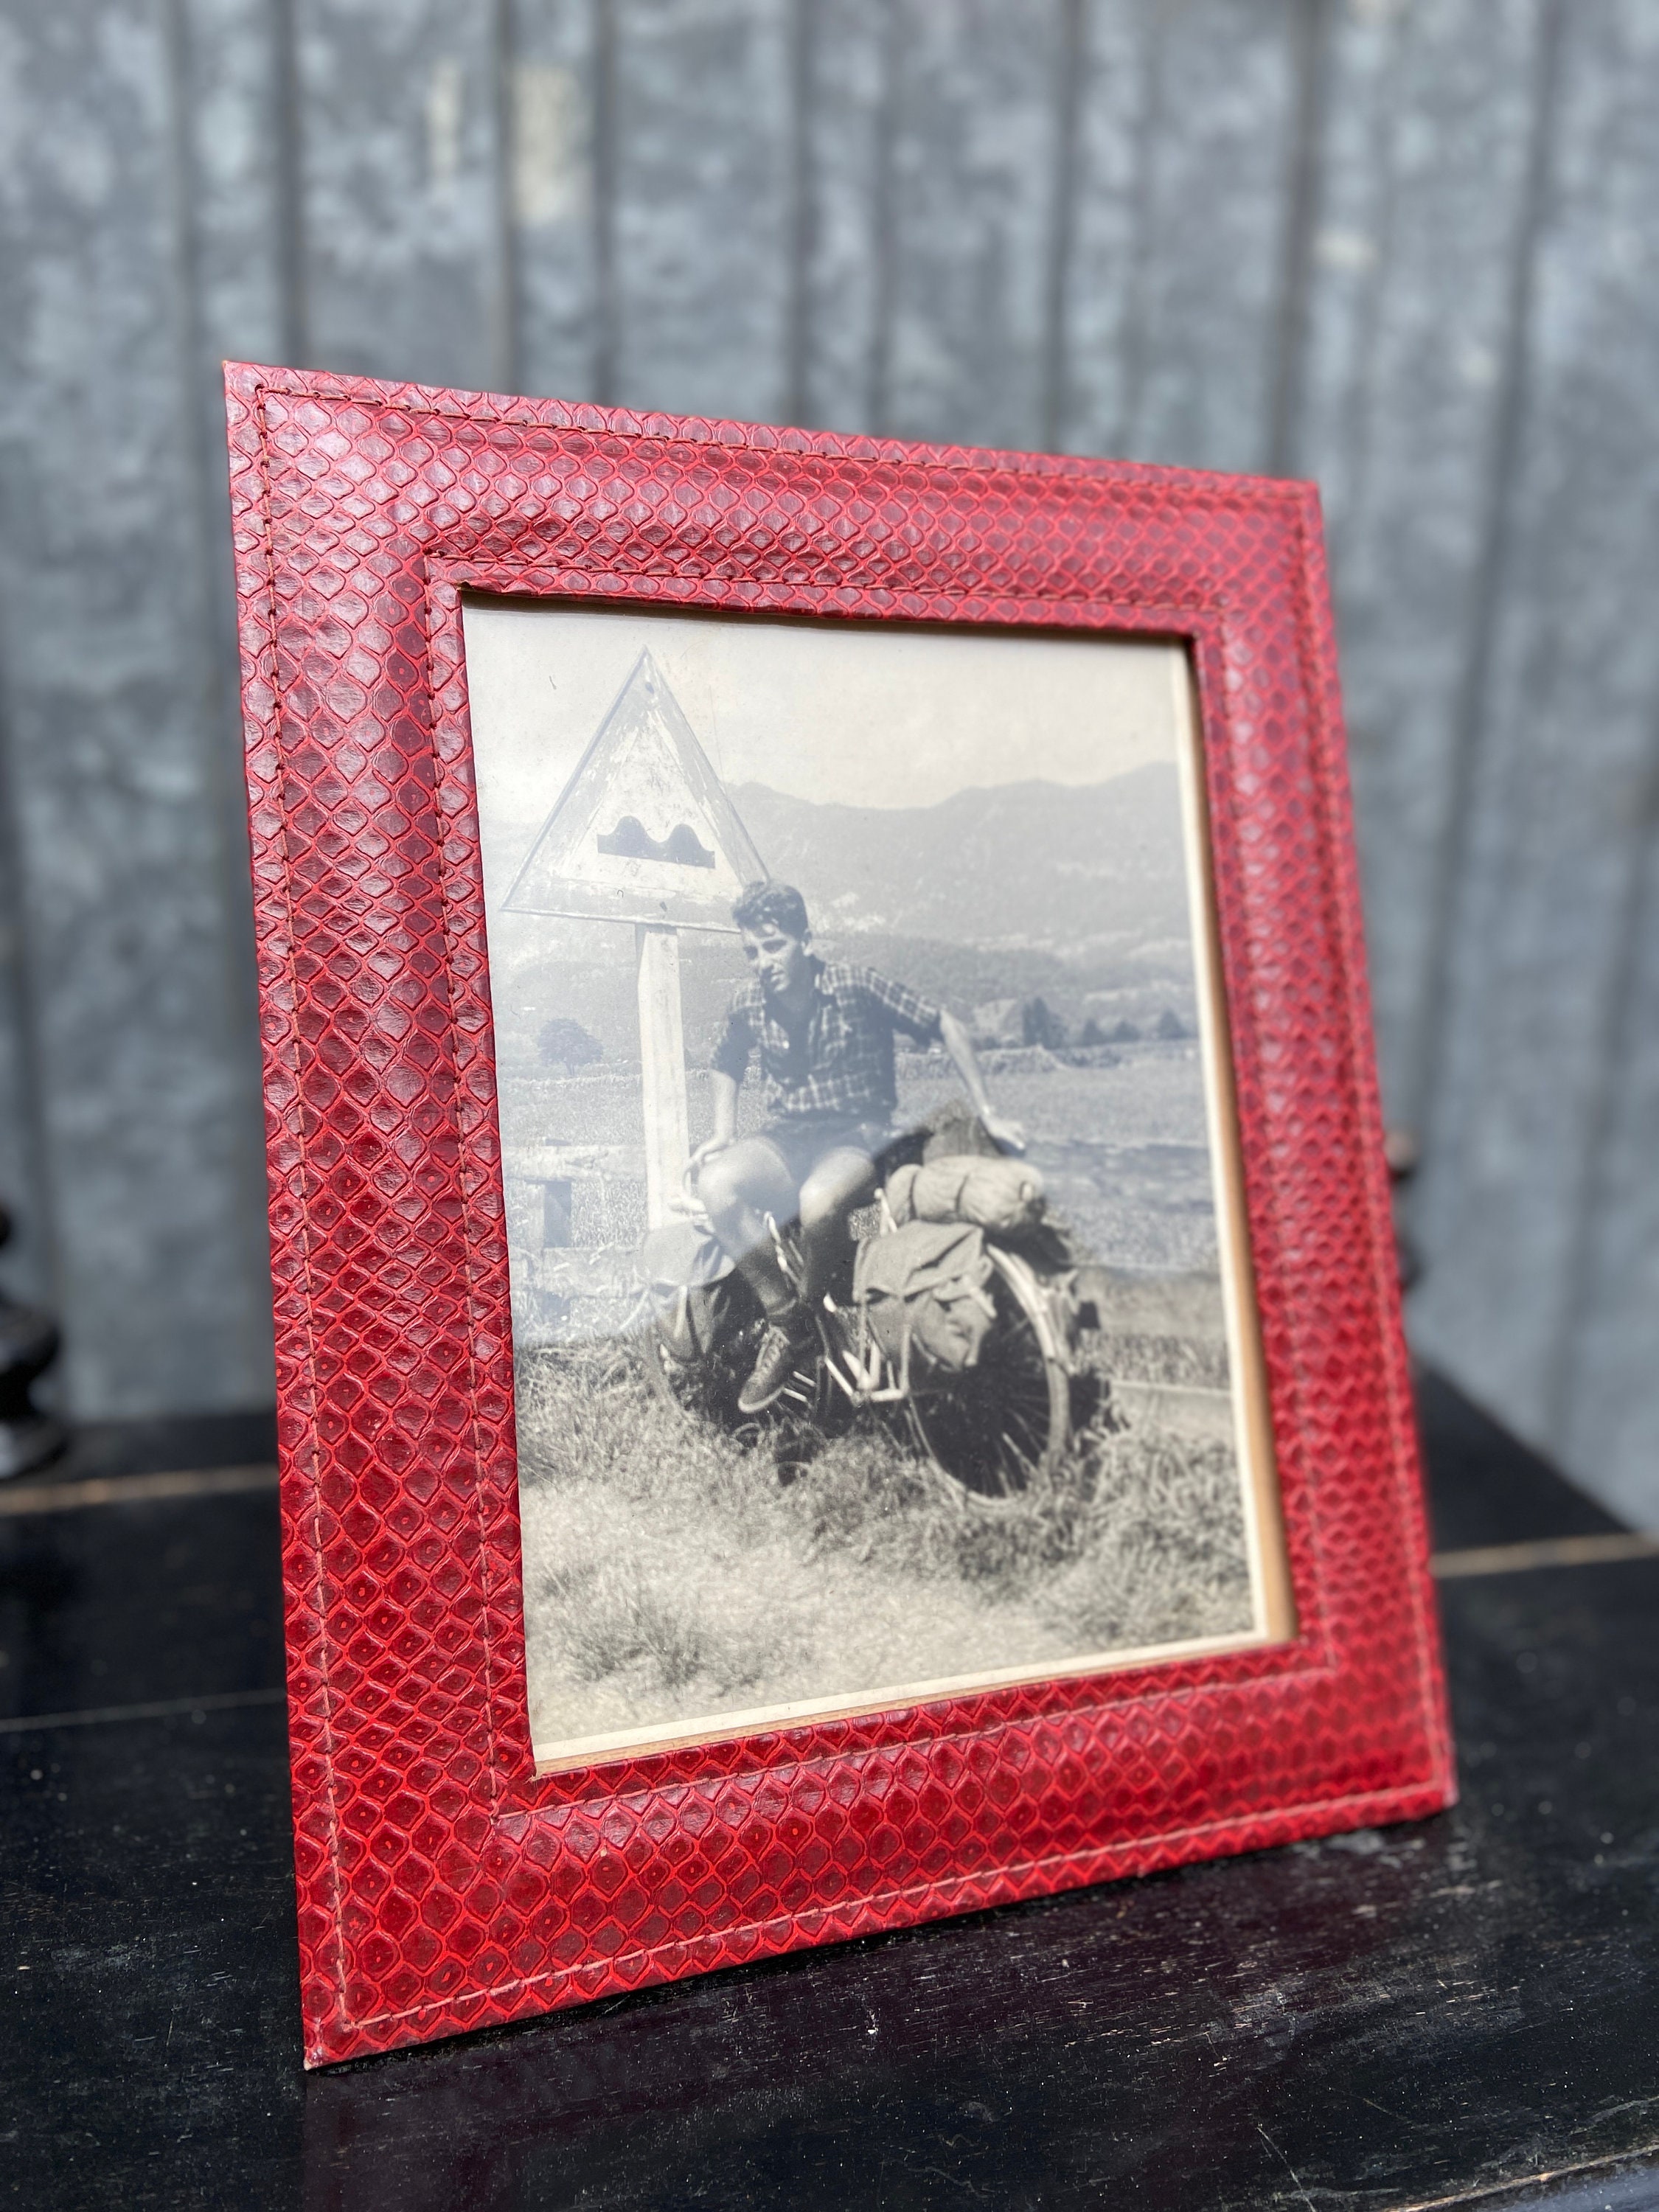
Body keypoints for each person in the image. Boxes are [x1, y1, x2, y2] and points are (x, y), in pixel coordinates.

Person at [692, 880, 1026, 1413]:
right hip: (787, 1136)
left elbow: (944, 1024)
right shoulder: (749, 1001)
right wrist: (722, 1131)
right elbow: (726, 1058)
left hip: (859, 1136)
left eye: (774, 945)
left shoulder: (855, 986)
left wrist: (988, 1110)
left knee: (820, 1202)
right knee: (716, 1185)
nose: (763, 962)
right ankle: (791, 1323)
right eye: (751, 951)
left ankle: (810, 1304)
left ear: (804, 939)